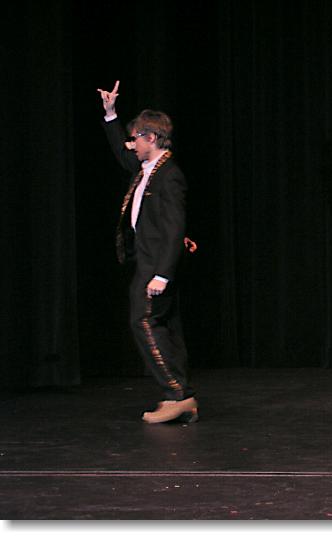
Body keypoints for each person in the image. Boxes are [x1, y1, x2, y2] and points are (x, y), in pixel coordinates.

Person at [97, 80, 198, 424]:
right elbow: (122, 155)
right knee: (165, 324)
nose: (131, 144)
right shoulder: (146, 170)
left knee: (143, 320)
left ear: (151, 138)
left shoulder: (169, 175)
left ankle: (176, 394)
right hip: (149, 259)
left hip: (157, 264)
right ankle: (180, 395)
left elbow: (174, 227)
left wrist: (162, 274)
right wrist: (111, 114)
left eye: (135, 138)